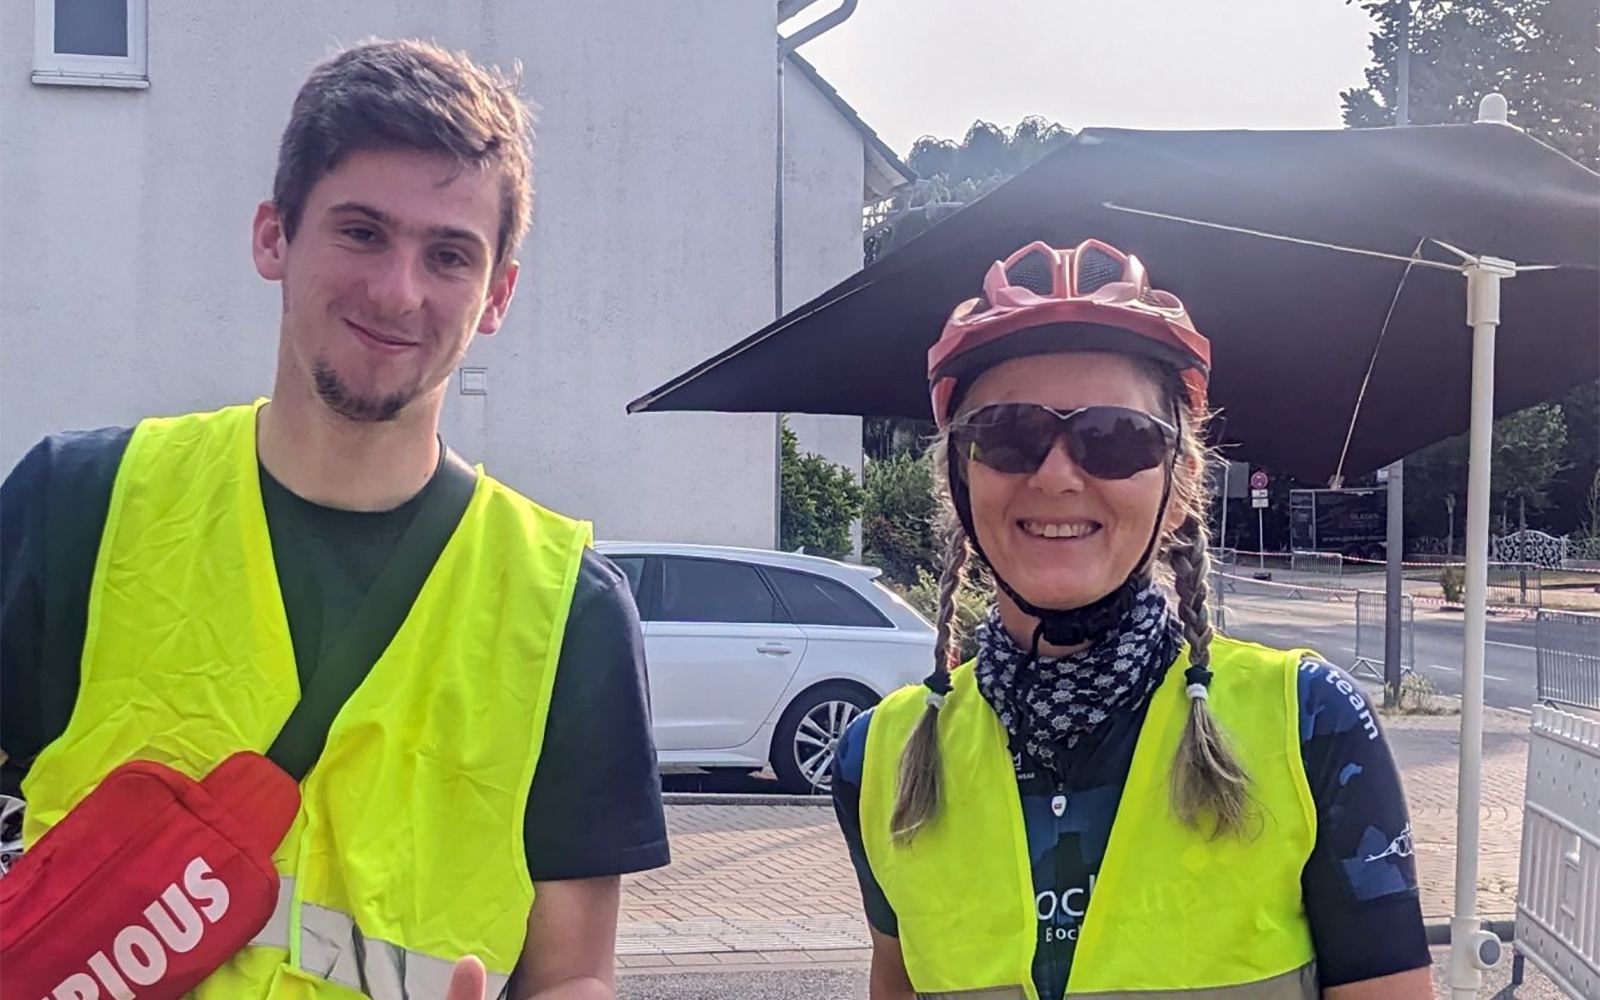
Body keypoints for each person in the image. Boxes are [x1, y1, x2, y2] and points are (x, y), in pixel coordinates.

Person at [0, 39, 668, 1000]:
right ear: (274, 237)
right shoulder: (80, 504)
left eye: (449, 255)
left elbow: (573, 974)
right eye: (361, 232)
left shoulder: (569, 607)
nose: (399, 291)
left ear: (498, 296)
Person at [831, 239, 1433, 1000]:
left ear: (1179, 483)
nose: (1056, 475)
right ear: (958, 478)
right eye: (1009, 436)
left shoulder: (1311, 722)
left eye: (1114, 438)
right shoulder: (875, 759)